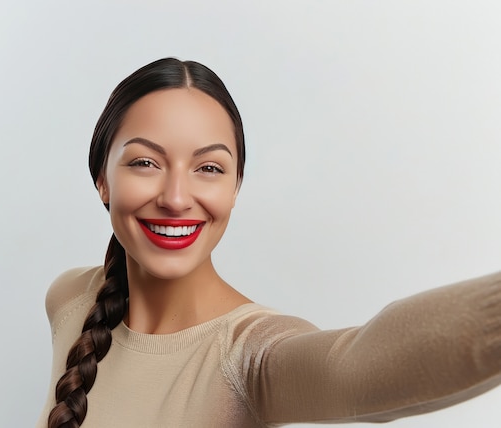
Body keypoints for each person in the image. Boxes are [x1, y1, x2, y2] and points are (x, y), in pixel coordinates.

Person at [36, 58, 501, 428]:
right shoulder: (70, 299)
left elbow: (358, 366)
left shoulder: (252, 353)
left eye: (209, 168)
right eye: (145, 162)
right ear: (102, 179)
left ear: (235, 188)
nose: (176, 198)